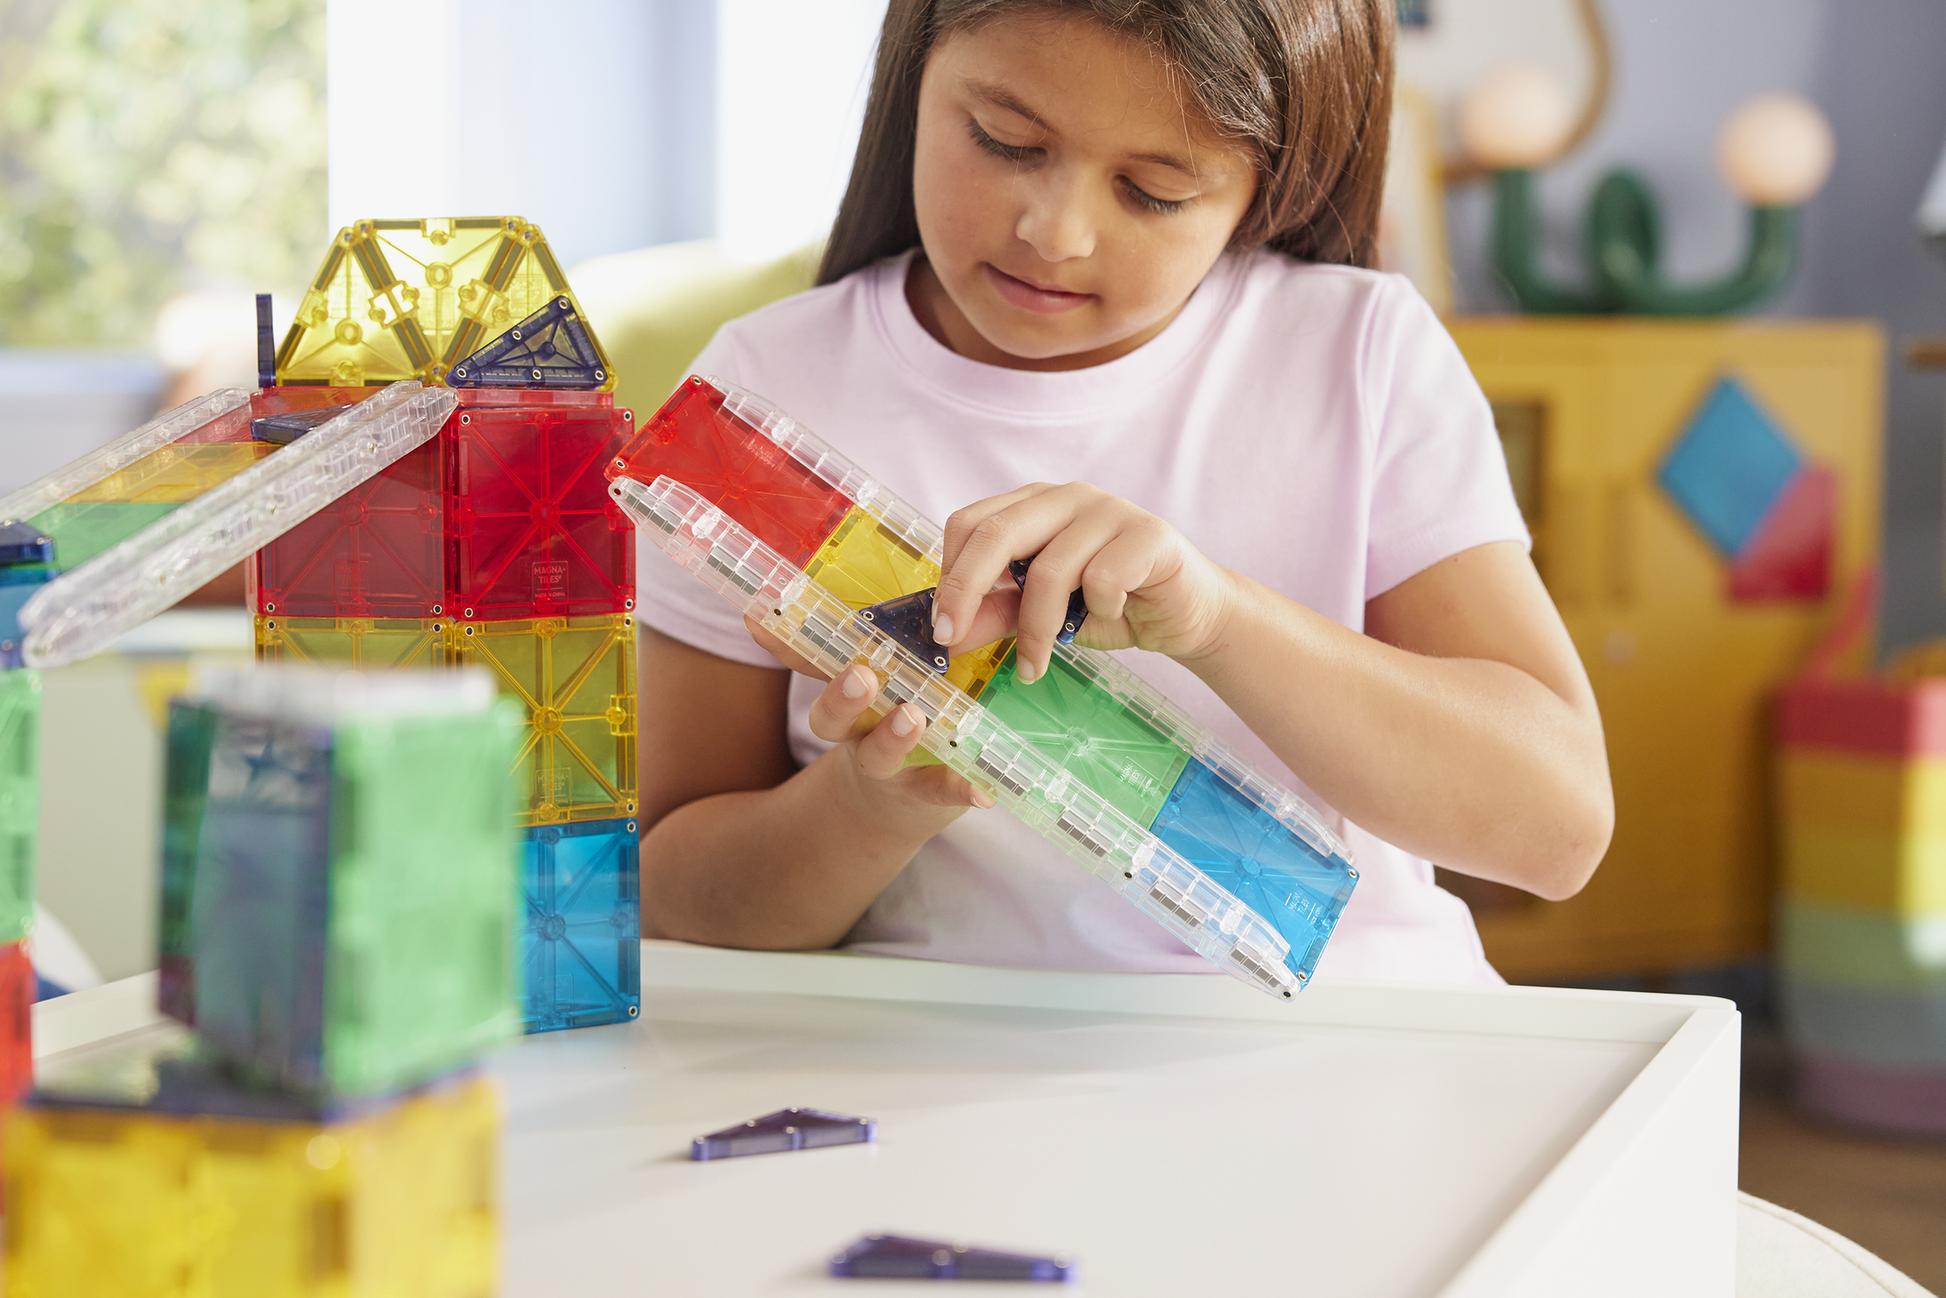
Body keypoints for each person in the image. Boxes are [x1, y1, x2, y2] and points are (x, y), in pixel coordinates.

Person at [633, 0, 1613, 984]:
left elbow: (1556, 830)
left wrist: (1217, 619)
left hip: (1352, 1042)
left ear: (1264, 187)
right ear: (911, 78)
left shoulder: (1356, 354)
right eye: (1002, 140)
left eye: (1152, 190)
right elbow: (671, 896)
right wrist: (866, 802)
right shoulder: (763, 394)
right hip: (928, 1079)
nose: (1053, 233)